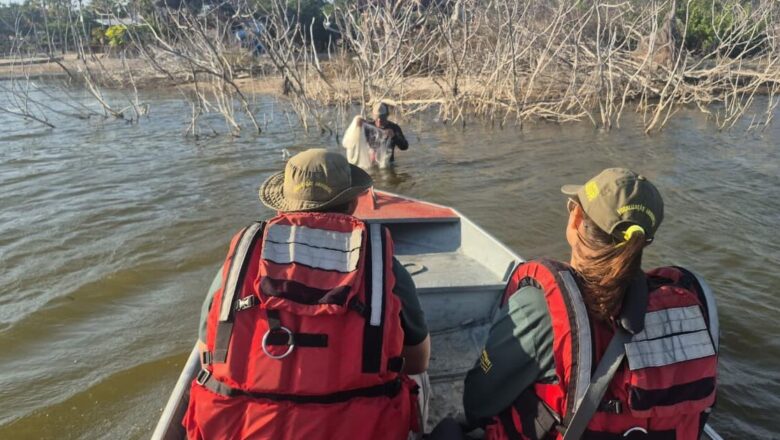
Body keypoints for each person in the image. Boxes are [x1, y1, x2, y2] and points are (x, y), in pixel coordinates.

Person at [183, 149, 431, 439]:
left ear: (283, 206)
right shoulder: (382, 263)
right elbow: (417, 361)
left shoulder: (241, 259)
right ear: (353, 203)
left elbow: (208, 356)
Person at [462, 168, 719, 439]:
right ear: (644, 241)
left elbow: (477, 404)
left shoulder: (540, 308)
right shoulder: (689, 306)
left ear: (576, 219)